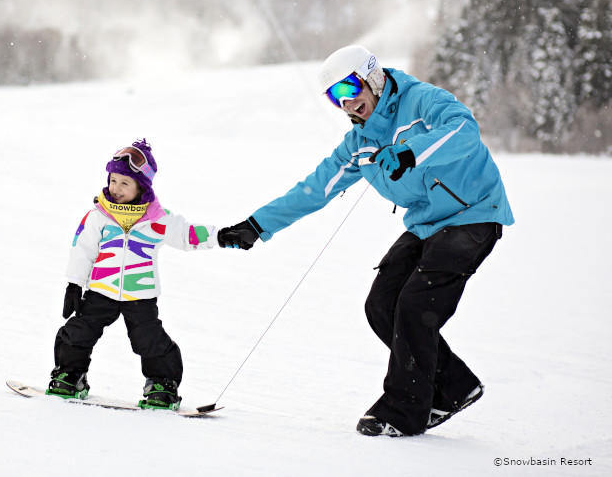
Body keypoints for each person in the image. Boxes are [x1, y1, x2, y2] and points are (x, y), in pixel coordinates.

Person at [218, 45, 514, 436]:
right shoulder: (360, 144)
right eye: (334, 97)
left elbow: (464, 130)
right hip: (427, 222)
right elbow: (315, 189)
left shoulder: (421, 100)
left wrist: (411, 152)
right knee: (381, 305)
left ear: (372, 77)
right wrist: (256, 225)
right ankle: (455, 388)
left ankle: (403, 412)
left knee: (413, 305)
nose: (347, 104)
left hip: (474, 213)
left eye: (350, 89)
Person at [48, 139, 217, 410]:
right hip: (101, 290)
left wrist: (223, 235)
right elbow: (82, 250)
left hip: (140, 296)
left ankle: (162, 385)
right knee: (78, 332)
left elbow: (188, 235)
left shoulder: (158, 219)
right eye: (113, 180)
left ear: (142, 186)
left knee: (149, 340)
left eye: (125, 183)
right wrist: (73, 285)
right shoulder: (98, 215)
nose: (115, 188)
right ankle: (70, 375)